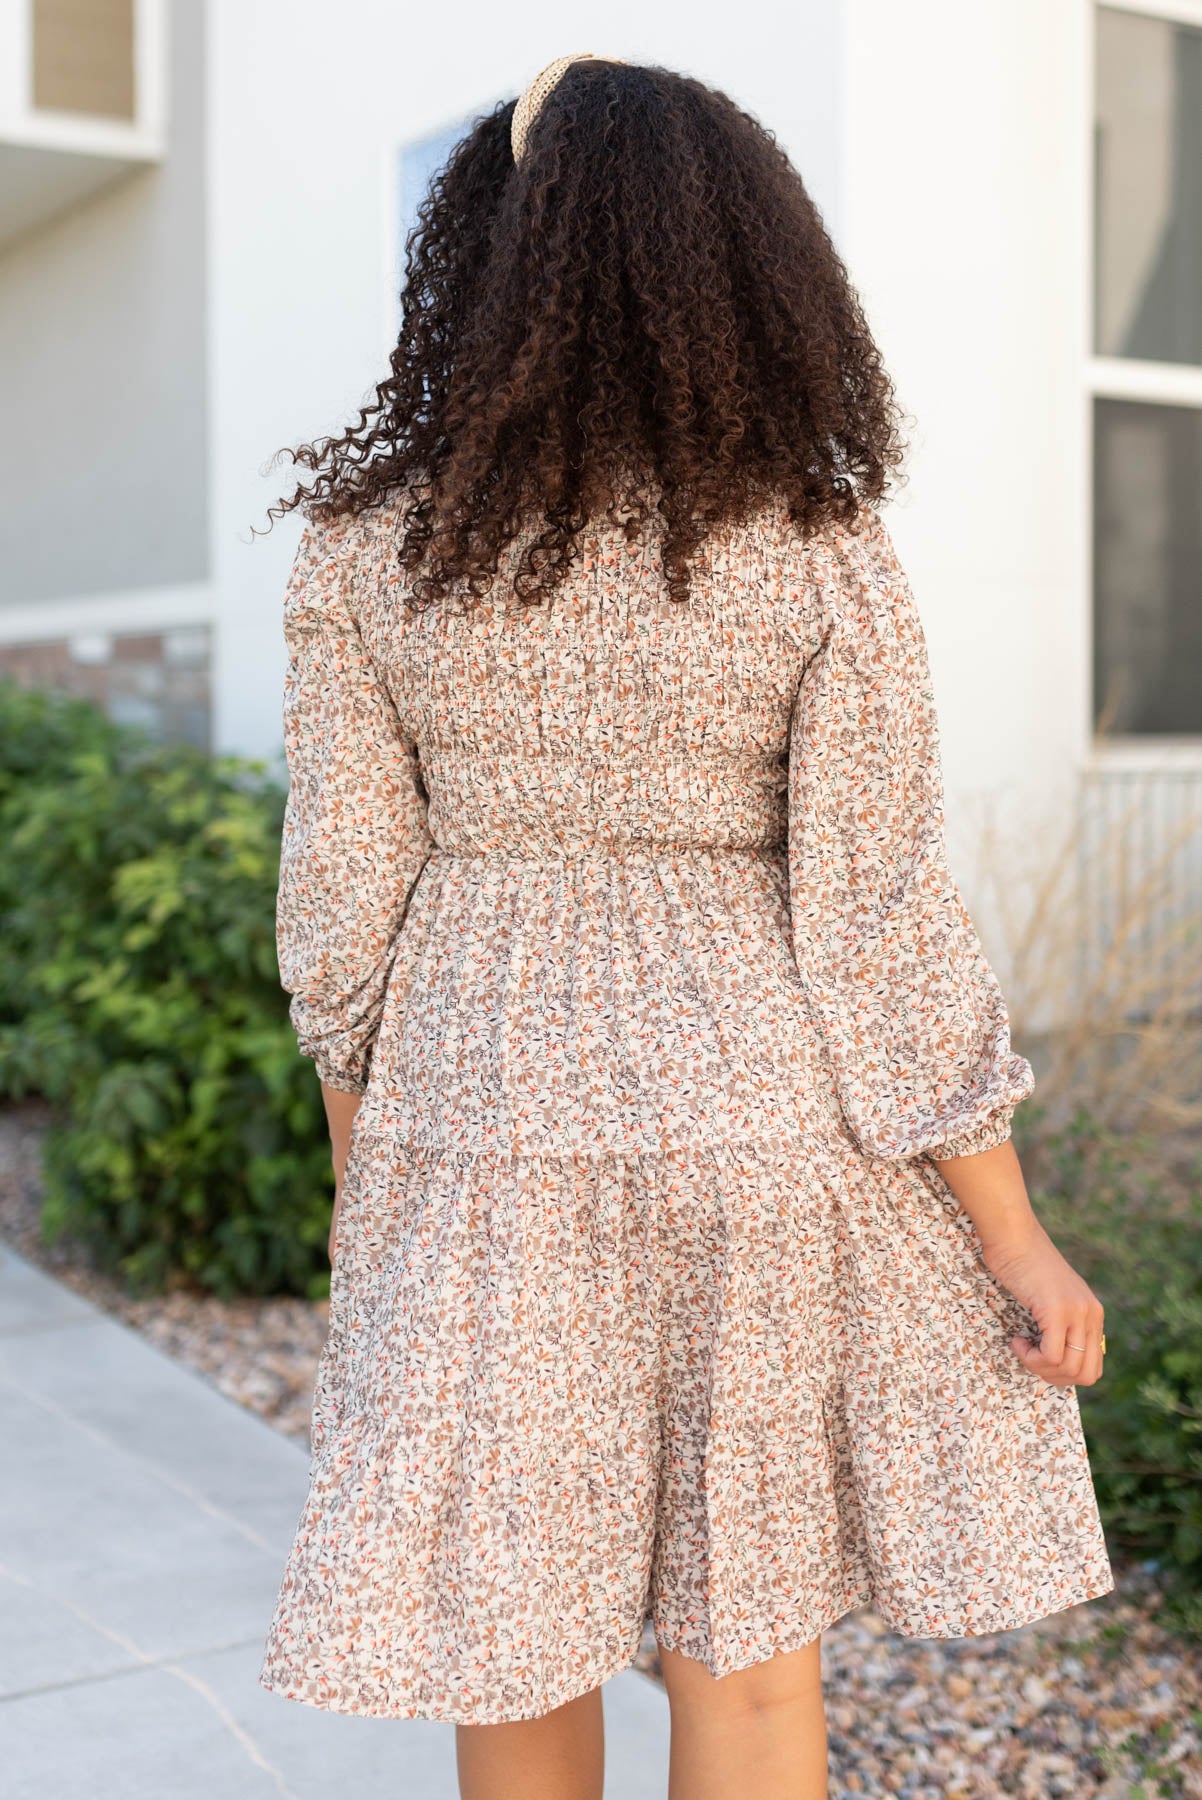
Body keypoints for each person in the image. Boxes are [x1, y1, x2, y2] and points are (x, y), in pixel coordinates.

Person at [258, 52, 1113, 1800]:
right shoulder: (811, 536)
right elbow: (875, 911)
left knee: (506, 1631)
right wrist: (1012, 1234)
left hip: (481, 1118)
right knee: (746, 1660)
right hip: (759, 1115)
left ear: (489, 257)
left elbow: (339, 922)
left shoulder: (366, 549)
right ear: (744, 259)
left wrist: (373, 1196)